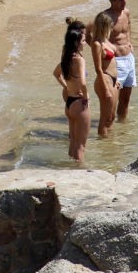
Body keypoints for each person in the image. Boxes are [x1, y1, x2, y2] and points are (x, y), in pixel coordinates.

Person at [53, 18, 91, 164]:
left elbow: (56, 73)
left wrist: (66, 87)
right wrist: (86, 96)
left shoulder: (67, 57)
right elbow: (82, 81)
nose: (85, 42)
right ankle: (80, 176)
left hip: (69, 103)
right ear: (76, 42)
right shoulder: (80, 60)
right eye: (83, 40)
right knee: (81, 147)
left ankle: (70, 171)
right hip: (79, 103)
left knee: (73, 144)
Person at [100, 0, 136, 122]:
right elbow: (93, 36)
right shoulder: (105, 17)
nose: (124, 2)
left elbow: (128, 27)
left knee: (125, 100)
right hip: (116, 63)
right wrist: (105, 51)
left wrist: (130, 42)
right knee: (112, 102)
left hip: (129, 59)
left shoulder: (126, 13)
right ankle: (109, 128)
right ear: (112, 0)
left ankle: (122, 129)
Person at [86, 11, 118, 138]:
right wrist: (105, 87)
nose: (111, 28)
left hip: (115, 79)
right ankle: (103, 143)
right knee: (104, 118)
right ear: (103, 26)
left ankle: (108, 146)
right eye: (109, 26)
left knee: (112, 116)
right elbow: (98, 68)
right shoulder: (97, 44)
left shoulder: (107, 42)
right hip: (105, 79)